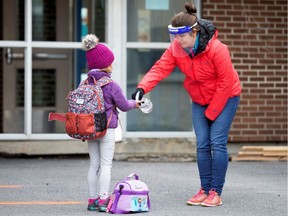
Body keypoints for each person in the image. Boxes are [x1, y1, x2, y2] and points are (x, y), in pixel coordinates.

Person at [131, 3, 241, 207]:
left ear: (194, 32)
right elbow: (160, 68)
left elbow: (226, 83)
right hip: (199, 99)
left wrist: (212, 113)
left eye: (181, 36)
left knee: (216, 143)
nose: (177, 40)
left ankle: (215, 192)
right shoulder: (177, 49)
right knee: (201, 145)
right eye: (174, 36)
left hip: (225, 98)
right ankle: (204, 189)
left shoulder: (217, 50)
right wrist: (142, 88)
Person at [82, 34, 140, 212]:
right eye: (110, 62)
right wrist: (135, 104)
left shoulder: (85, 82)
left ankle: (92, 199)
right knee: (106, 165)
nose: (112, 65)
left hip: (91, 129)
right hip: (107, 129)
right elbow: (123, 105)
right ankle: (103, 199)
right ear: (105, 64)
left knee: (94, 165)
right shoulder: (111, 84)